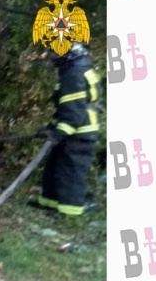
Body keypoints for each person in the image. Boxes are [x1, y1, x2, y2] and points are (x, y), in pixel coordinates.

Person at [29, 41, 103, 217]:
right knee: (54, 167)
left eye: (56, 53)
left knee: (71, 173)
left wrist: (58, 133)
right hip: (73, 131)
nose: (53, 57)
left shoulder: (73, 75)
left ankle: (70, 213)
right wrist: (52, 128)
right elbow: (65, 108)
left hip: (79, 134)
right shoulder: (76, 70)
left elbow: (73, 113)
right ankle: (49, 203)